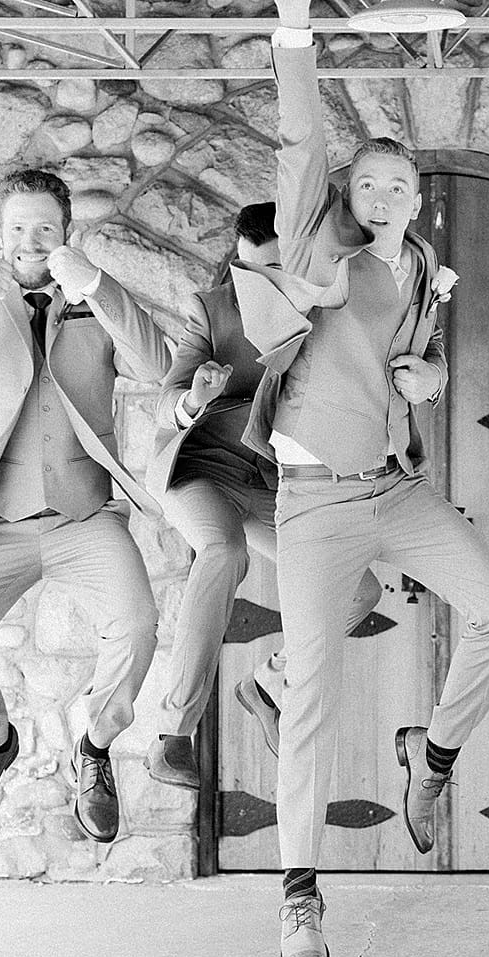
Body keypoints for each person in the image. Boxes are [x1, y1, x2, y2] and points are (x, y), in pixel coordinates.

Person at [241, 0, 489, 957]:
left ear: (414, 196)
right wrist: (294, 35)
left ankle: (433, 752)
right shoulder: (313, 244)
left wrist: (434, 379)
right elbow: (298, 137)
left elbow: (417, 364)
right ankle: (299, 890)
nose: (381, 191)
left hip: (395, 486)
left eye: (398, 181)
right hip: (315, 500)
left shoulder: (414, 263)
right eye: (366, 181)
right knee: (313, 695)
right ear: (345, 193)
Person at [0, 170, 171, 847]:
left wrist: (99, 287)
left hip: (84, 517)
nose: (30, 241)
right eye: (17, 228)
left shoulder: (90, 299)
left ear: (65, 234)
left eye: (45, 228)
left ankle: (94, 747)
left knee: (135, 628)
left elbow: (159, 366)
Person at [144, 202, 381, 788]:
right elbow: (168, 394)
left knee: (360, 587)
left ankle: (271, 680)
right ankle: (174, 734)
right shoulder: (212, 307)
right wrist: (194, 399)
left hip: (277, 487)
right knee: (224, 553)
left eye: (274, 269)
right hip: (204, 472)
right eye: (248, 271)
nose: (261, 284)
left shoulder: (329, 306)